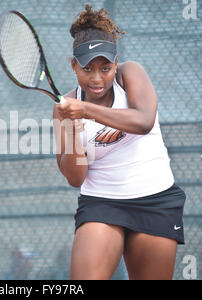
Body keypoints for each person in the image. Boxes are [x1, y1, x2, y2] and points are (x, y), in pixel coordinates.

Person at [53, 5, 186, 280]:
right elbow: (75, 178)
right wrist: (74, 130)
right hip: (102, 203)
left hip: (156, 199)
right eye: (87, 68)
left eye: (105, 67)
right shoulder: (63, 109)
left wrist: (87, 111)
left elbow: (143, 121)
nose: (97, 78)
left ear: (116, 63)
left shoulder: (131, 74)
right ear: (73, 65)